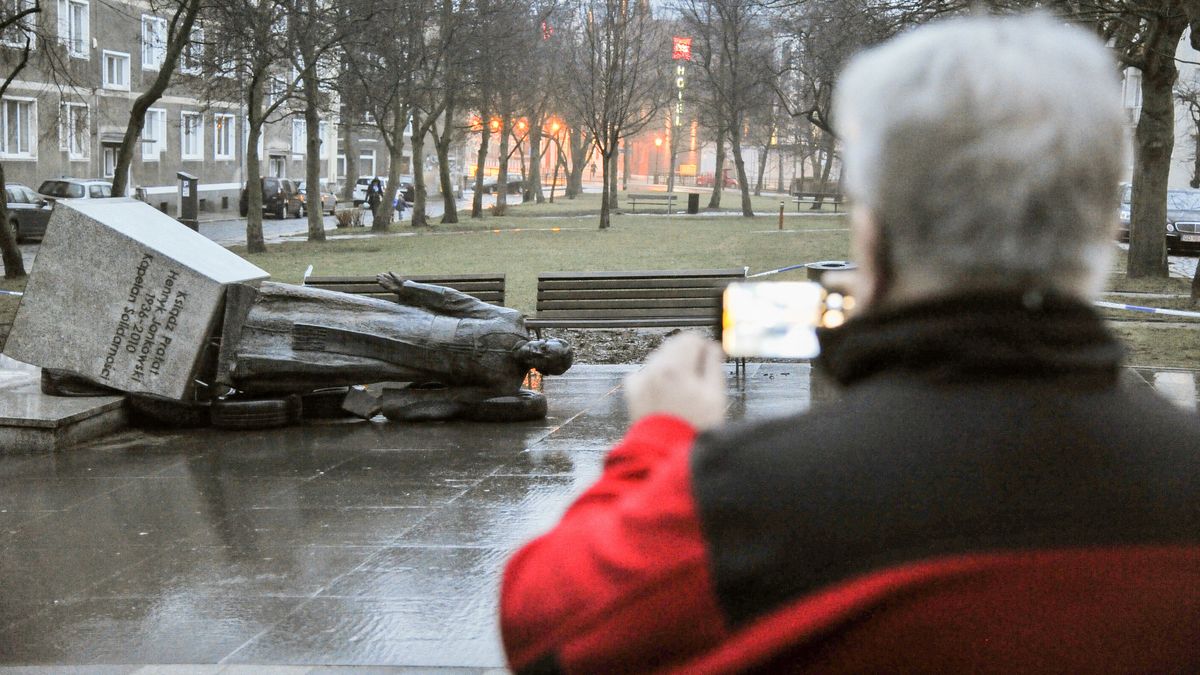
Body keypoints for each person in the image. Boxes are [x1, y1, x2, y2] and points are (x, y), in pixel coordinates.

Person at [499, 14, 1200, 674]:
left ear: (872, 228)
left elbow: (540, 622)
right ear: (1106, 220)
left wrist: (659, 439)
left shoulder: (747, 503)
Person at [216, 273, 573, 395]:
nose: (537, 352)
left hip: (415, 363)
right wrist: (408, 289)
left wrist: (393, 403)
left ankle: (251, 361)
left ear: (541, 370)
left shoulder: (503, 383)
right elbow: (457, 302)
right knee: (344, 322)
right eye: (543, 346)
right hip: (413, 325)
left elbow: (452, 400)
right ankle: (263, 313)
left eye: (544, 359)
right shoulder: (509, 320)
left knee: (337, 359)